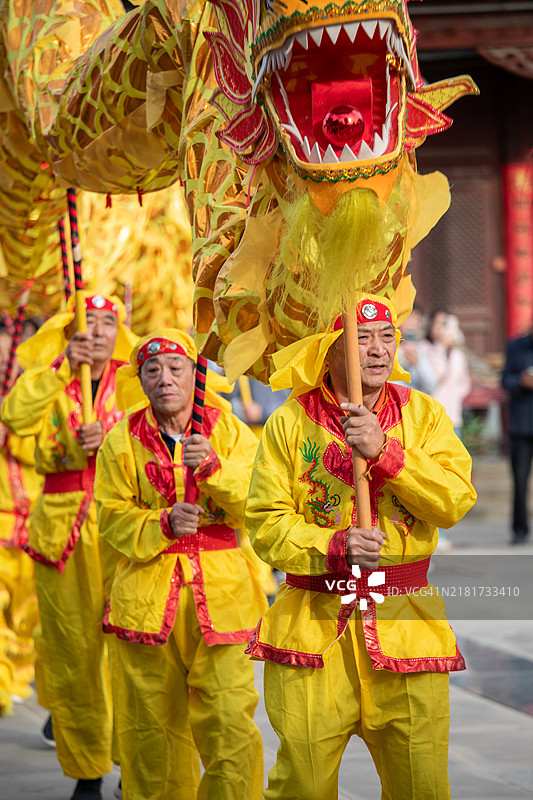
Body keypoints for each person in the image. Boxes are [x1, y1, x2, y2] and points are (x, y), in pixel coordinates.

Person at [245, 294, 477, 800]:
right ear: (329, 351)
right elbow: (264, 524)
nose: (377, 350)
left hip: (406, 625)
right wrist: (335, 545)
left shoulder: (426, 415)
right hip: (313, 624)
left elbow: (455, 498)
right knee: (302, 783)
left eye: (386, 336)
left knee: (422, 783)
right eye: (360, 338)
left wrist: (387, 454)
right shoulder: (290, 422)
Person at [94, 329, 267, 800]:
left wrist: (213, 468)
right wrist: (163, 522)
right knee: (151, 729)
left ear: (196, 375)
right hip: (147, 601)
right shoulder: (121, 439)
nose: (165, 379)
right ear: (141, 380)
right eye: (153, 370)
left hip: (224, 597)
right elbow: (108, 515)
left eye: (176, 368)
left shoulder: (228, 431)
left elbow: (259, 500)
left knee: (230, 724)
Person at [1, 294, 137, 800]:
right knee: (73, 654)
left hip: (123, 531)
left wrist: (116, 439)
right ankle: (86, 770)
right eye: (88, 323)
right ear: (70, 330)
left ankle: (134, 760)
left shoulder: (135, 380)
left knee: (130, 653)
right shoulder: (53, 377)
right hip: (62, 534)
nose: (98, 332)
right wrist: (63, 370)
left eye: (108, 323)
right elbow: (15, 417)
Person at [0, 319, 43, 715]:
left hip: (31, 521)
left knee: (28, 612)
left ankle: (18, 676)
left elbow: (41, 454)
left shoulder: (34, 397)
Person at [501, 327, 533, 544]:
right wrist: (521, 382)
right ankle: (519, 529)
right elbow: (504, 381)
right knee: (520, 480)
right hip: (521, 425)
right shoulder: (516, 346)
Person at [419, 310, 471, 438]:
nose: (443, 329)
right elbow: (434, 380)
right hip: (430, 417)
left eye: (446, 324)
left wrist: (454, 395)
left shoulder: (457, 355)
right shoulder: (423, 350)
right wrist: (441, 347)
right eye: (439, 324)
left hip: (454, 416)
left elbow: (465, 382)